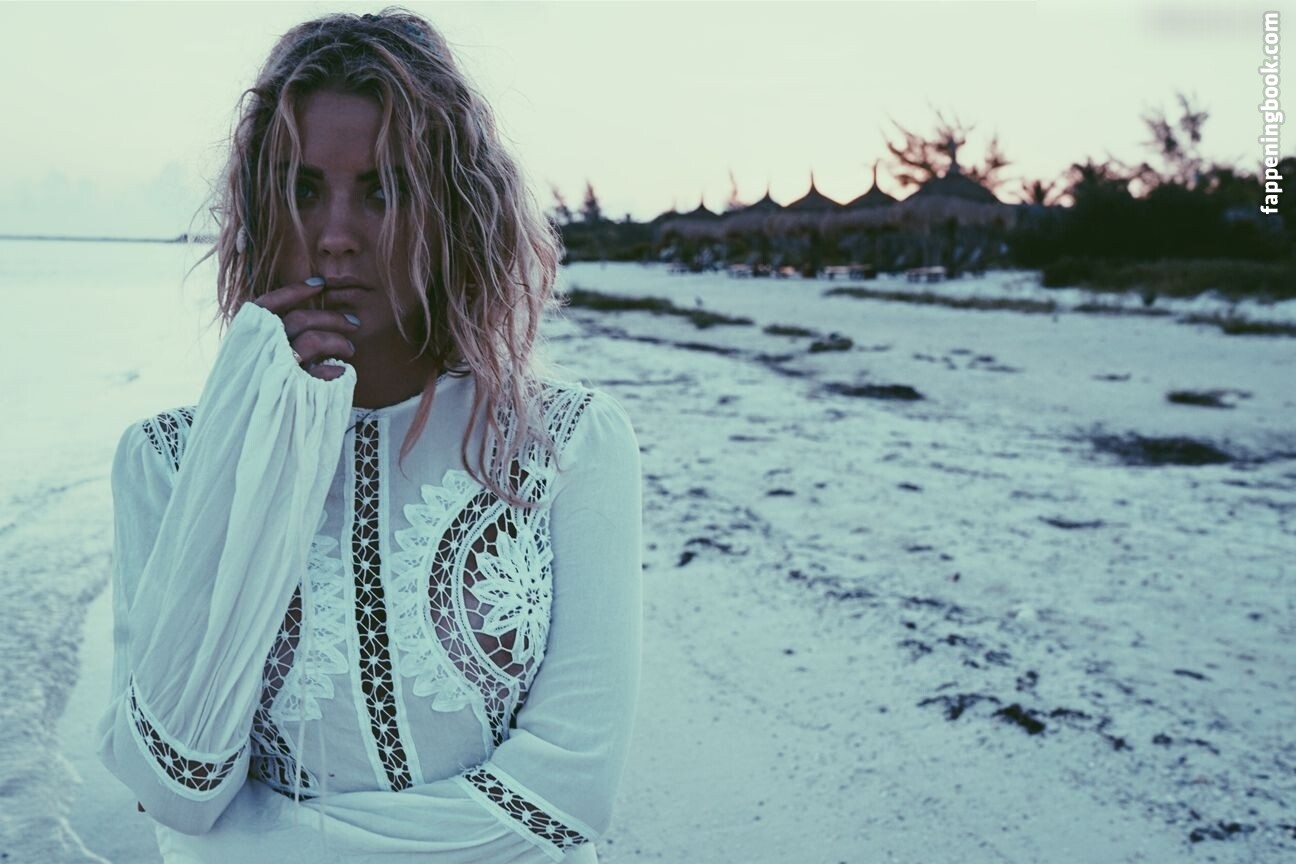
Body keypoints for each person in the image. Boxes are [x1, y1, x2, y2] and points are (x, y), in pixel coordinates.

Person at [96, 10, 644, 863]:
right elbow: (176, 787)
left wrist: (257, 842)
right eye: (303, 190)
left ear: (454, 209)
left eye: (385, 191)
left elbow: (563, 798)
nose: (336, 236)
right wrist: (249, 435)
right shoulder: (167, 463)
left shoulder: (566, 446)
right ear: (260, 205)